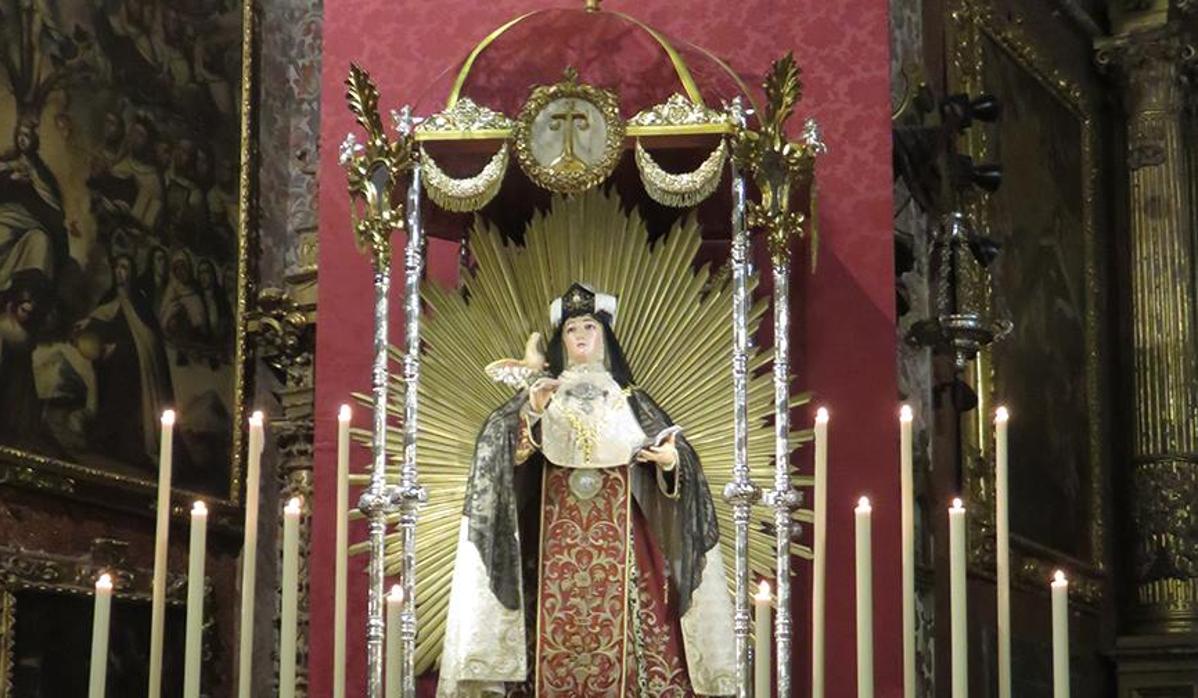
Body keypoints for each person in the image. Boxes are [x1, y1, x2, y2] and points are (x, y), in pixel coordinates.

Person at [438, 283, 736, 697]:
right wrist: (533, 413)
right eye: (571, 328)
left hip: (626, 550)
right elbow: (502, 454)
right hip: (550, 542)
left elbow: (678, 461)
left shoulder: (630, 400)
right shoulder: (545, 395)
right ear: (561, 341)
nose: (580, 335)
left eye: (589, 326)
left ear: (604, 336)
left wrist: (669, 463)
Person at [84, 253, 173, 468]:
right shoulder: (108, 299)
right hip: (111, 369)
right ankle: (106, 441)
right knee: (111, 404)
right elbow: (100, 326)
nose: (120, 272)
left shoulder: (139, 303)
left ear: (131, 273)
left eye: (125, 268)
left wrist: (122, 347)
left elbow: (150, 340)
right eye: (117, 267)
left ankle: (131, 447)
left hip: (136, 373)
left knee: (130, 413)